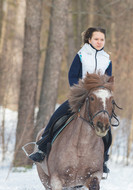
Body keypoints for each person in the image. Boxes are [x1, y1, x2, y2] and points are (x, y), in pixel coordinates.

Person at [29, 27, 112, 173]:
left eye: (102, 39)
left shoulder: (107, 59)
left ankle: (103, 158)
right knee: (57, 116)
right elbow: (72, 75)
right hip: (81, 95)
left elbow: (108, 80)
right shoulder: (81, 55)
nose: (99, 42)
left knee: (107, 126)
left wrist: (104, 93)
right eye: (96, 39)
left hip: (98, 99)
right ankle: (42, 148)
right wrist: (79, 91)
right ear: (89, 40)